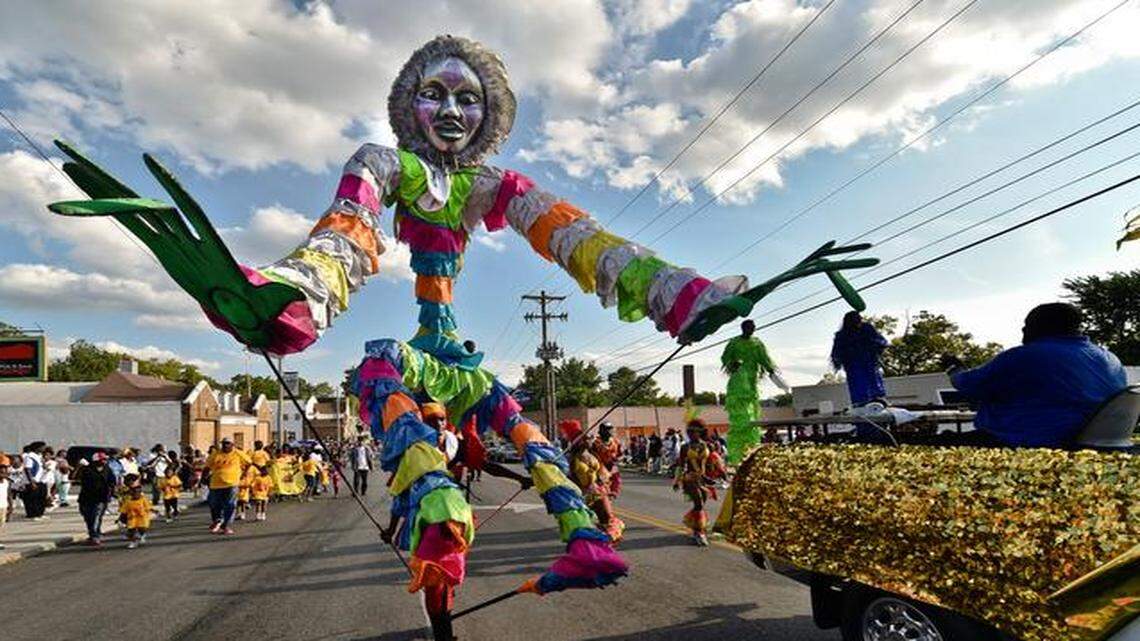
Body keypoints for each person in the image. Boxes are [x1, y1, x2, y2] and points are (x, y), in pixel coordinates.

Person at [946, 303, 1128, 448]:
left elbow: (966, 385)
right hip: (1097, 444)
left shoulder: (1024, 356)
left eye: (1027, 326)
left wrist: (954, 369)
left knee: (926, 442)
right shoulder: (1111, 359)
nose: (1023, 331)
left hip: (1028, 441)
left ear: (1042, 327)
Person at [720, 320, 790, 465]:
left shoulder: (757, 343)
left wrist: (773, 373)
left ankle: (749, 448)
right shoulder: (734, 343)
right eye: (748, 328)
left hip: (752, 382)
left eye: (753, 328)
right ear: (743, 328)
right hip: (739, 380)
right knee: (742, 414)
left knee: (751, 413)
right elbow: (725, 357)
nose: (751, 330)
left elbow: (764, 359)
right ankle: (738, 452)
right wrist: (732, 364)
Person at [560, 420, 624, 543]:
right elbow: (579, 478)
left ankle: (604, 545)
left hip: (598, 490)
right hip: (586, 494)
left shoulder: (590, 454)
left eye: (586, 437)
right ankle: (600, 547)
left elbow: (609, 469)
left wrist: (610, 486)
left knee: (607, 521)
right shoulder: (573, 458)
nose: (588, 439)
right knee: (605, 523)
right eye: (583, 438)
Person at [830, 311, 889, 407]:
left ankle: (874, 399)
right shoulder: (843, 335)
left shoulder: (866, 329)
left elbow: (881, 342)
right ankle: (864, 401)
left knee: (870, 383)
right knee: (860, 385)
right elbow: (836, 354)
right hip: (855, 366)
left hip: (867, 364)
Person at [673, 419, 715, 546]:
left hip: (702, 479)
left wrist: (715, 475)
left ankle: (696, 525)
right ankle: (699, 532)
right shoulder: (685, 447)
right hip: (689, 479)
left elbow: (711, 463)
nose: (690, 434)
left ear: (700, 432)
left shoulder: (708, 446)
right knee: (699, 503)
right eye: (689, 431)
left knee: (700, 504)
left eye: (693, 431)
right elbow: (680, 465)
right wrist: (677, 481)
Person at [205, 437, 250, 534]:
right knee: (214, 504)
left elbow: (249, 462)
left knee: (230, 504)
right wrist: (203, 479)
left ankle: (226, 525)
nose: (225, 445)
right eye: (224, 443)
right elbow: (207, 467)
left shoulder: (237, 453)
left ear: (232, 445)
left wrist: (244, 473)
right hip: (216, 484)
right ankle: (217, 520)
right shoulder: (216, 454)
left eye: (228, 443)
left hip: (232, 484)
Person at [77, 453, 116, 546]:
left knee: (96, 517)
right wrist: (78, 467)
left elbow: (112, 481)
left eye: (105, 460)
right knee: (88, 517)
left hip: (101, 498)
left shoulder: (107, 469)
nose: (104, 461)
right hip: (86, 498)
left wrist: (112, 493)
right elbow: (74, 477)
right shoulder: (86, 469)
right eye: (102, 460)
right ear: (96, 461)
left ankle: (95, 536)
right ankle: (93, 534)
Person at [590, 423, 623, 499]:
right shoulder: (596, 443)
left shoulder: (616, 442)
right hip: (600, 465)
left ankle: (613, 492)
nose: (610, 432)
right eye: (607, 430)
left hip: (611, 464)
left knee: (616, 477)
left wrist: (617, 459)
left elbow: (620, 454)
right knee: (601, 481)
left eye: (610, 430)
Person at [117, 482, 152, 549]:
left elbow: (148, 507)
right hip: (132, 518)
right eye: (134, 493)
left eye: (138, 493)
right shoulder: (128, 501)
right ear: (131, 494)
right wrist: (120, 519)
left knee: (141, 529)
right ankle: (133, 542)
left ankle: (142, 535)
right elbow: (124, 511)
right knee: (131, 531)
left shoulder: (143, 499)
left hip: (142, 518)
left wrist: (152, 511)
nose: (136, 494)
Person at [21, 442, 48, 520]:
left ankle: (40, 513)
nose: (44, 449)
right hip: (32, 481)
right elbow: (27, 469)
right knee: (32, 499)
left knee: (41, 498)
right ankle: (32, 514)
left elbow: (43, 467)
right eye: (42, 447)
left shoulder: (39, 456)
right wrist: (32, 482)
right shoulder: (29, 456)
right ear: (37, 448)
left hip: (41, 480)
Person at [0, 454, 10, 549]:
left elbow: (8, 494)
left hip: (3, 506)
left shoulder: (6, 482)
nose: (4, 471)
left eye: (5, 469)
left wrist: (10, 506)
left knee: (1, 523)